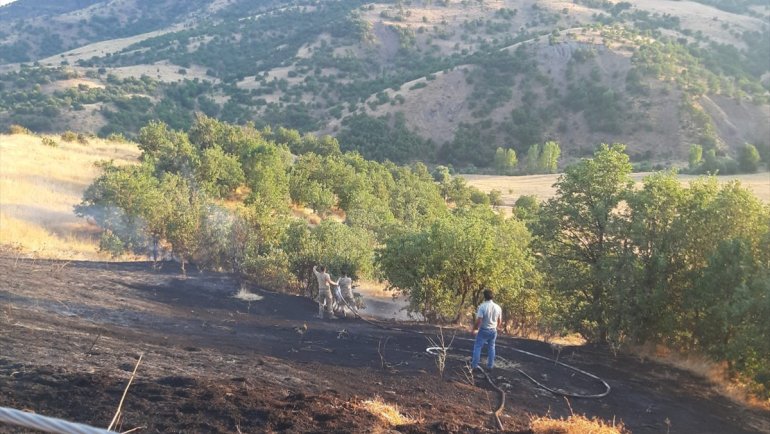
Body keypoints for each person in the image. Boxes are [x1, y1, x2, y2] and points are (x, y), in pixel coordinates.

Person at [471, 289, 502, 371]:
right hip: (493, 331)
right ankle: (490, 366)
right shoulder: (498, 307)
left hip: (483, 330)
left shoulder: (482, 306)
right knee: (491, 347)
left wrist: (475, 328)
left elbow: (479, 320)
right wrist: (496, 328)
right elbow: (499, 321)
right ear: (492, 296)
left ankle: (474, 366)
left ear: (484, 296)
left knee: (478, 347)